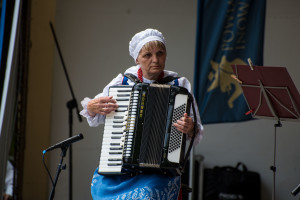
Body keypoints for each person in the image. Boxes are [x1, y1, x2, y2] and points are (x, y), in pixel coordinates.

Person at [80, 28, 204, 200]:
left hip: (160, 172)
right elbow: (95, 113)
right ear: (137, 58)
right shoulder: (122, 83)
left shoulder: (180, 85)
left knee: (149, 194)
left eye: (160, 53)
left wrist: (190, 128)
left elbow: (195, 129)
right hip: (121, 168)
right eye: (147, 55)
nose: (155, 60)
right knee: (101, 185)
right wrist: (92, 107)